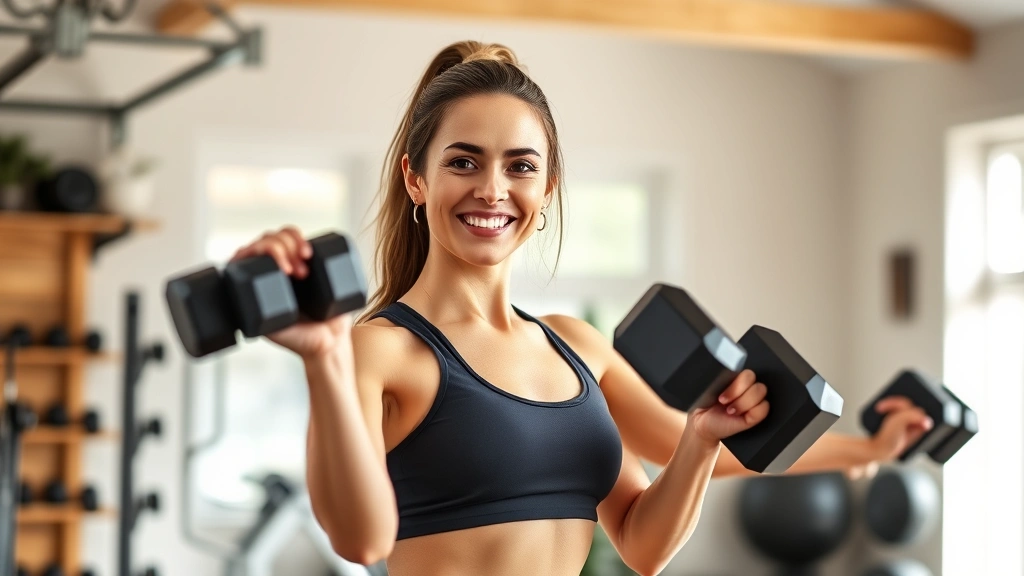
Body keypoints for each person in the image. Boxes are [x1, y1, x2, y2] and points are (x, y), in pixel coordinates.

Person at [229, 41, 932, 576]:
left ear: (548, 187)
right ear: (417, 177)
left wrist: (710, 440)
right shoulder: (378, 348)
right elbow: (360, 539)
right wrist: (322, 356)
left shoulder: (577, 347)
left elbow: (643, 543)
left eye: (521, 165)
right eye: (463, 161)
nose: (493, 189)